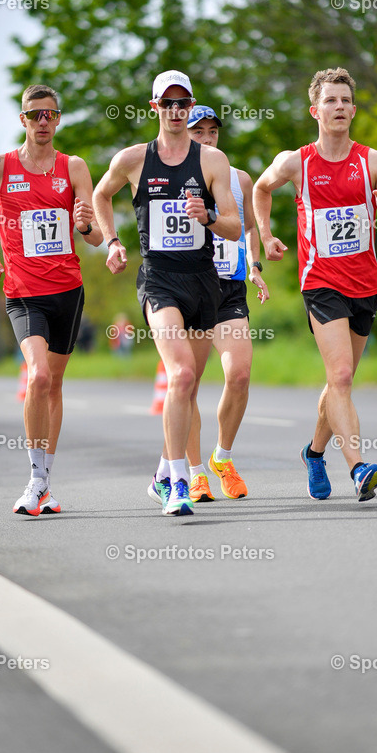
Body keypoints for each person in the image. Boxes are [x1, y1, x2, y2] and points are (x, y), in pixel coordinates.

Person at [253, 66, 377, 502]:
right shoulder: (296, 161)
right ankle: (360, 468)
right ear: (315, 110)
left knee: (339, 382)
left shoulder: (372, 161)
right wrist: (265, 235)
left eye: (345, 100)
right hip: (320, 283)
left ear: (353, 110)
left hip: (366, 285)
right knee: (340, 374)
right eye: (330, 100)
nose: (339, 106)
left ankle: (314, 452)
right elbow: (261, 189)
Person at [92, 71, 241, 516]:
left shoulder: (213, 162)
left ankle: (161, 471)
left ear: (190, 106)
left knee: (188, 386)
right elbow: (101, 196)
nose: (176, 111)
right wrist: (113, 241)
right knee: (178, 376)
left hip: (203, 282)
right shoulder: (134, 160)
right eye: (168, 104)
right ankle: (178, 482)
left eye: (183, 104)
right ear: (154, 107)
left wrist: (209, 216)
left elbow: (235, 227)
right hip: (158, 280)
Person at [0, 84, 103, 516]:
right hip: (24, 293)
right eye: (35, 115)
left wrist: (85, 226)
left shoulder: (74, 167)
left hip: (68, 290)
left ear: (58, 119)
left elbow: (97, 235)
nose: (43, 122)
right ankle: (35, 479)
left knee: (55, 384)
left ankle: (46, 479)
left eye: (51, 115)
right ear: (22, 120)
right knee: (39, 377)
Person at [184, 104, 269, 502]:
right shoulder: (173, 178)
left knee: (239, 374)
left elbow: (249, 228)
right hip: (186, 289)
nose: (206, 138)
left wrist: (254, 266)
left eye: (212, 131)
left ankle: (222, 457)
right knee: (188, 384)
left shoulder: (239, 179)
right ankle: (195, 473)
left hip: (230, 288)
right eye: (197, 132)